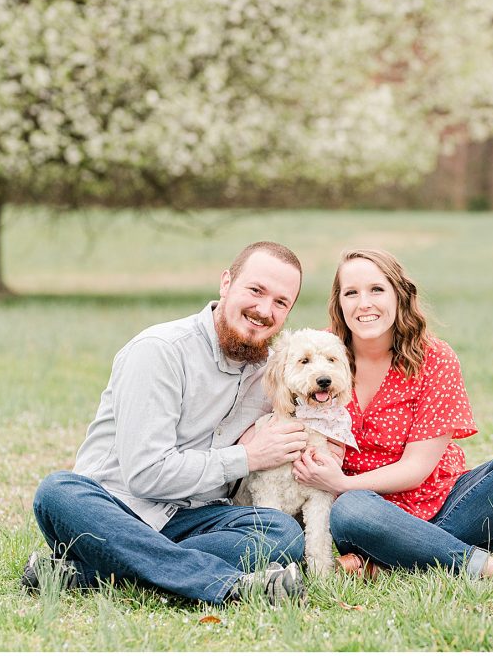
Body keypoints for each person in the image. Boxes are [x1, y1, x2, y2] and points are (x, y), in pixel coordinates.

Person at [22, 241, 311, 604]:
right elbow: (146, 474)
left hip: (194, 521)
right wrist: (247, 456)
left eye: (281, 302)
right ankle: (227, 585)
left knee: (281, 533)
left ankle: (91, 575)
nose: (264, 310)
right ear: (226, 283)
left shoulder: (271, 374)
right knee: (58, 492)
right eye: (256, 290)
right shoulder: (160, 351)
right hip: (114, 512)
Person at [292, 249, 493, 581]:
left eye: (376, 290)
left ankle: (392, 562)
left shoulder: (435, 358)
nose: (363, 303)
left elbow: (416, 469)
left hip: (442, 504)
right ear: (339, 302)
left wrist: (342, 482)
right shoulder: (319, 354)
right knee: (350, 508)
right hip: (367, 517)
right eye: (351, 293)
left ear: (399, 295)